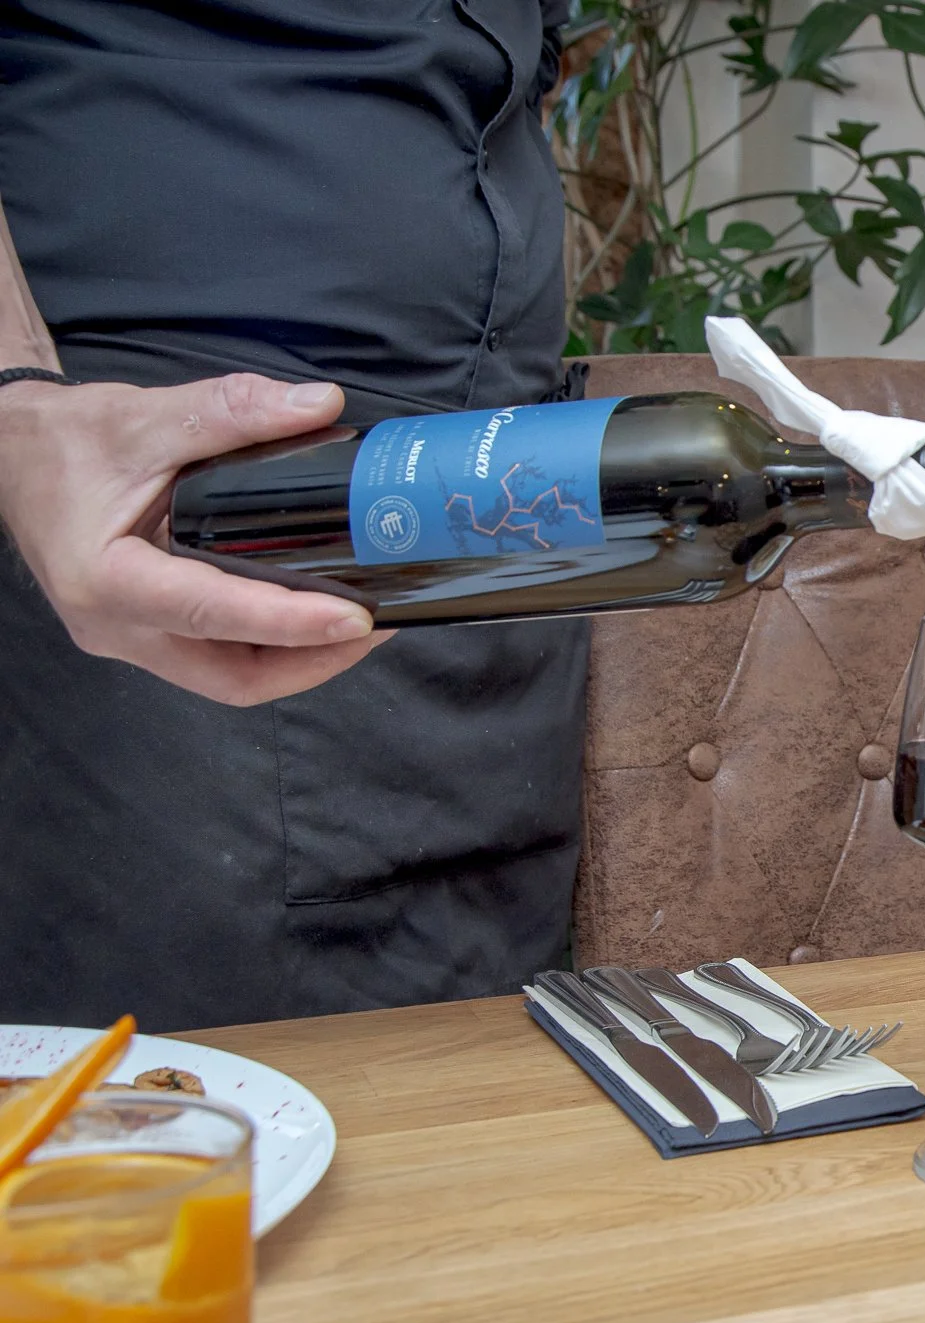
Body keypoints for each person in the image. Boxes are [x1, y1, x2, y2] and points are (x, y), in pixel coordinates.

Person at [0, 2, 588, 1031]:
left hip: (480, 529)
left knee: (470, 1119)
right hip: (164, 513)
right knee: (182, 1135)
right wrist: (12, 406)